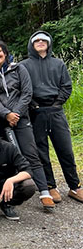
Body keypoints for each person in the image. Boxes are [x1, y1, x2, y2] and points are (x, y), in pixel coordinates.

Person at [0, 39, 55, 211]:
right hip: (0, 120)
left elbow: (27, 92)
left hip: (21, 117)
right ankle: (8, 191)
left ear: (5, 52)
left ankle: (44, 191)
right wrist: (6, 114)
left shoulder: (18, 69)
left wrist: (16, 113)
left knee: (30, 152)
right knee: (5, 155)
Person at [20, 31, 83, 203]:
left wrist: (57, 103)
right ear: (32, 44)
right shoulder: (24, 65)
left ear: (49, 44)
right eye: (37, 40)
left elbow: (66, 86)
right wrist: (34, 105)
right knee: (41, 151)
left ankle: (74, 186)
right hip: (36, 112)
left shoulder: (58, 64)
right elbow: (23, 89)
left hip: (56, 111)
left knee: (65, 149)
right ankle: (50, 186)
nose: (40, 42)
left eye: (43, 40)